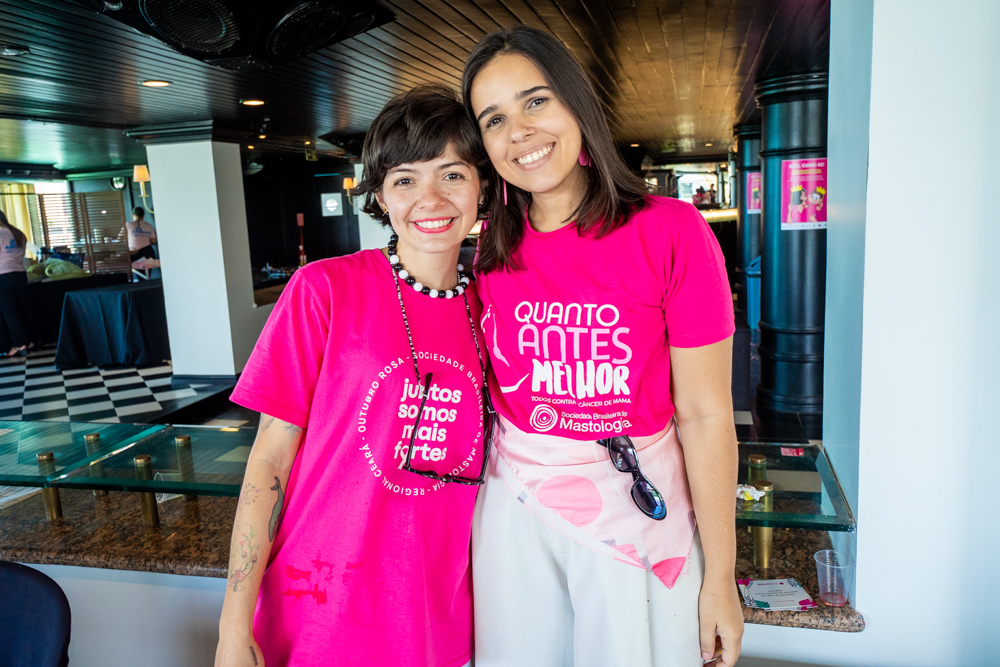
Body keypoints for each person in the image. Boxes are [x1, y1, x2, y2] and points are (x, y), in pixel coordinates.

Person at [462, 26, 743, 667]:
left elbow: (706, 415)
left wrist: (721, 578)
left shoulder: (671, 231)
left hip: (637, 514)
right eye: (494, 119)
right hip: (515, 511)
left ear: (576, 102)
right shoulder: (489, 251)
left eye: (536, 101)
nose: (519, 132)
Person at [214, 84, 491, 667]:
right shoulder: (325, 290)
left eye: (452, 174)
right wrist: (233, 628)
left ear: (482, 186)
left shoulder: (496, 307)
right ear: (381, 196)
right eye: (405, 180)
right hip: (319, 607)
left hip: (440, 618)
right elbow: (269, 462)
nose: (431, 199)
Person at [0, 210, 34, 357]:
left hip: (3, 275)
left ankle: (19, 344)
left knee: (9, 312)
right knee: (21, 309)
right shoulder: (18, 234)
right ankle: (30, 340)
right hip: (20, 274)